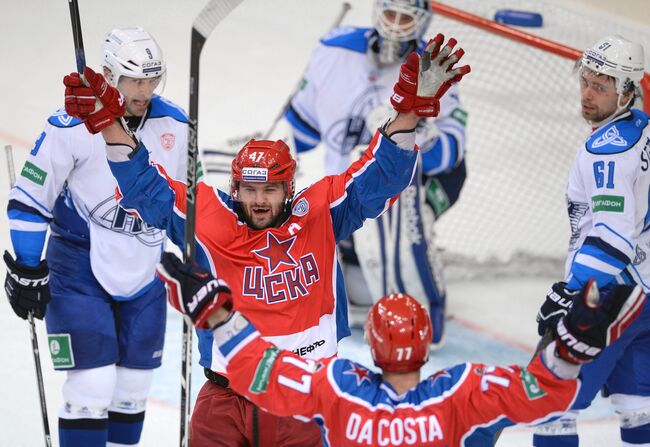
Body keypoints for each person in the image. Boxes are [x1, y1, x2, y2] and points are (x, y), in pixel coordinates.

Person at [61, 34, 470, 445]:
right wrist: (108, 122)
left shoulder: (321, 213)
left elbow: (380, 177)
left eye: (270, 190)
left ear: (289, 189)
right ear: (234, 188)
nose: (259, 201)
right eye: (249, 190)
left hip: (305, 397)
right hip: (226, 398)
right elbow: (146, 187)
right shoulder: (209, 216)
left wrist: (407, 112)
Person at [154, 249, 647, 447]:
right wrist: (568, 351)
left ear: (372, 344)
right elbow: (544, 394)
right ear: (428, 344)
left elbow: (265, 374)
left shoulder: (339, 388)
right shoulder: (463, 389)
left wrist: (218, 316)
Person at [3, 27, 187, 447]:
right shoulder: (71, 125)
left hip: (145, 269)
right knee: (91, 386)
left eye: (152, 79)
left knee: (132, 390)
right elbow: (30, 197)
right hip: (77, 267)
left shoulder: (175, 123)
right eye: (135, 79)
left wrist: (199, 259)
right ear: (108, 73)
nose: (145, 90)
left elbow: (188, 205)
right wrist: (30, 267)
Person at [285, 0, 467, 345]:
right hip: (348, 192)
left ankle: (419, 293)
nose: (395, 25)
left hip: (410, 189)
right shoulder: (334, 49)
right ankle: (353, 263)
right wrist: (276, 152)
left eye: (406, 18)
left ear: (423, 21)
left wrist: (413, 138)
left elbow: (452, 153)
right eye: (390, 14)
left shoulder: (433, 63)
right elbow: (302, 129)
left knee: (401, 218)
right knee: (353, 285)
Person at [533, 35, 650, 447]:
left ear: (627, 91)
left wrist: (571, 292)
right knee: (640, 409)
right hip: (646, 291)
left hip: (613, 295)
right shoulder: (644, 127)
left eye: (601, 87)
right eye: (586, 81)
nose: (587, 94)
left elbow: (615, 235)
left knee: (547, 401)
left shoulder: (607, 150)